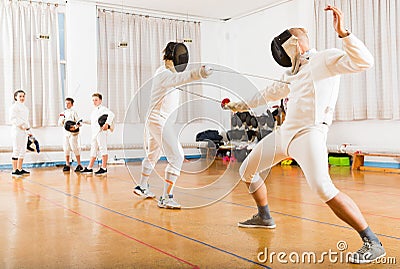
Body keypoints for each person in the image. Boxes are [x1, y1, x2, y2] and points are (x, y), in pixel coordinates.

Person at [224, 6, 385, 264]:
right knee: (247, 171)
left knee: (322, 188)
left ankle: (372, 242)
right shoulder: (291, 74)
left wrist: (344, 34)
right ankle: (264, 217)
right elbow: (266, 94)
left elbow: (364, 61)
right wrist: (236, 105)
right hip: (285, 133)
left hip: (309, 134)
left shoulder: (325, 59)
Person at [133, 42, 212, 209]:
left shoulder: (165, 72)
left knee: (154, 154)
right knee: (177, 156)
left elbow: (177, 78)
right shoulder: (164, 73)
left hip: (158, 119)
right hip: (157, 119)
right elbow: (179, 78)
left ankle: (142, 186)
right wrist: (199, 73)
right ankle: (166, 197)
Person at [81, 93, 115, 176]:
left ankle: (104, 168)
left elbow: (111, 114)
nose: (94, 102)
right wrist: (83, 121)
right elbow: (93, 122)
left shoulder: (103, 109)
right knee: (93, 150)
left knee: (103, 149)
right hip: (94, 133)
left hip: (101, 132)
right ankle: (89, 168)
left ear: (100, 100)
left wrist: (107, 124)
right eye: (93, 100)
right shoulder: (94, 111)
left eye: (96, 100)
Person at [9, 90, 31, 176]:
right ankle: (14, 170)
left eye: (23, 96)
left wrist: (28, 130)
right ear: (16, 97)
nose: (22, 98)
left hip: (24, 131)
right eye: (20, 96)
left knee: (23, 150)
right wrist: (20, 125)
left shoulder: (25, 108)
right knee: (16, 149)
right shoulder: (13, 107)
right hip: (17, 131)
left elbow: (26, 120)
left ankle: (20, 168)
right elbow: (12, 119)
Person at [58, 97, 83, 172]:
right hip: (66, 134)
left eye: (69, 103)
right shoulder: (63, 113)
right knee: (66, 149)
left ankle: (79, 164)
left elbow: (79, 122)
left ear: (72, 104)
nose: (67, 105)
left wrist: (75, 126)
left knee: (74, 148)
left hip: (73, 134)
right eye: (66, 103)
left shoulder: (74, 112)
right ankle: (67, 164)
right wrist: (62, 119)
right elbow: (59, 123)